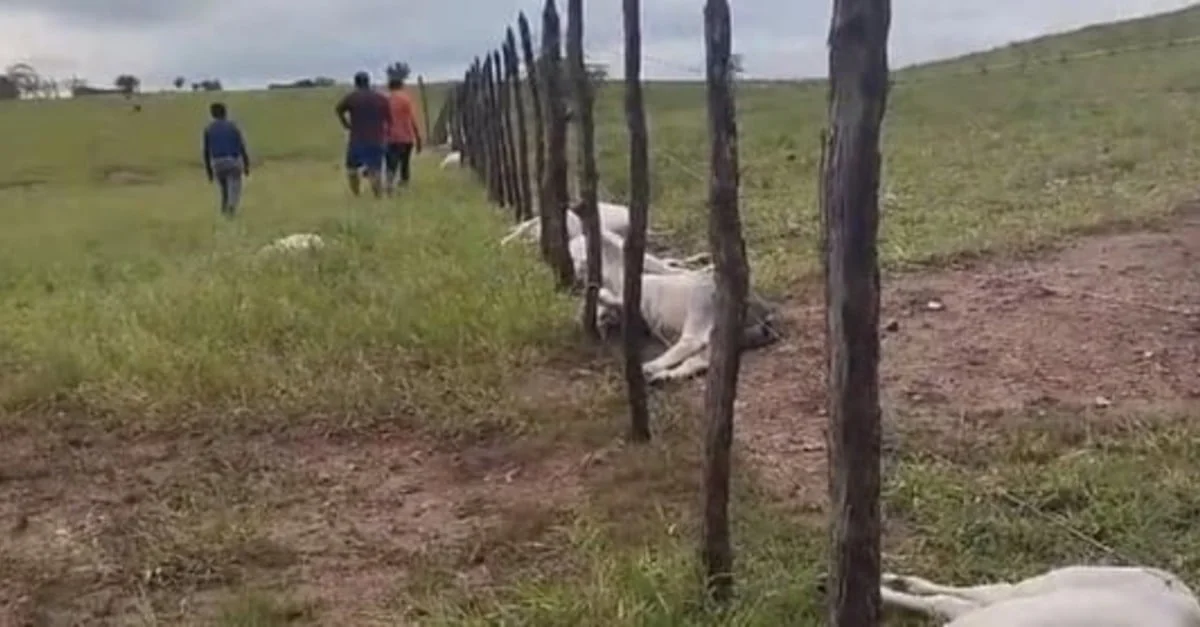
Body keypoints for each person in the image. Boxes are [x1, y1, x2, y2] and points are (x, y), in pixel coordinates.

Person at [335, 71, 391, 198]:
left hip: (357, 139)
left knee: (352, 169)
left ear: (356, 83)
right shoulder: (381, 98)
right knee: (375, 169)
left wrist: (346, 124)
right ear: (368, 82)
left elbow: (338, 109)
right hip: (377, 138)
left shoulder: (352, 97)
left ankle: (356, 195)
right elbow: (389, 118)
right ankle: (378, 196)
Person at [202, 102, 251, 217]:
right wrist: (246, 165)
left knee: (224, 189)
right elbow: (241, 146)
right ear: (225, 113)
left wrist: (209, 171)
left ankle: (224, 210)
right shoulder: (233, 127)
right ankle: (231, 209)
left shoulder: (208, 129)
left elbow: (206, 151)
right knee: (235, 188)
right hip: (232, 161)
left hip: (217, 163)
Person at [384, 75, 423, 193]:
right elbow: (412, 119)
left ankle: (389, 183)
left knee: (391, 162)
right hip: (406, 136)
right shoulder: (406, 100)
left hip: (390, 137)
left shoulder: (386, 100)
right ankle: (404, 185)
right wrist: (418, 137)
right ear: (401, 86)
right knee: (404, 163)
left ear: (389, 87)